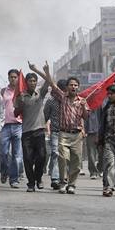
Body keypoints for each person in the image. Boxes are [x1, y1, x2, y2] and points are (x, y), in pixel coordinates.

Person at [38, 61, 90, 194]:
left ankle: (72, 184)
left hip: (77, 134)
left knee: (76, 162)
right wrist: (47, 71)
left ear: (78, 87)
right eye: (71, 85)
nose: (74, 87)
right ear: (67, 87)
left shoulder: (82, 101)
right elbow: (52, 84)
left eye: (76, 85)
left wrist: (84, 106)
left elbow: (86, 117)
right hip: (63, 134)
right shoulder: (63, 97)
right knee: (63, 158)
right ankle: (63, 182)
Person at [14, 62, 50, 192]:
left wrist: (39, 70)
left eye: (34, 80)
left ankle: (38, 178)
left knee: (41, 157)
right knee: (28, 159)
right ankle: (31, 183)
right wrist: (20, 107)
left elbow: (48, 80)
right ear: (26, 82)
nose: (33, 83)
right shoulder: (21, 96)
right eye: (30, 80)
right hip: (26, 132)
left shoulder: (40, 93)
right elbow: (15, 113)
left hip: (39, 130)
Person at [0, 69, 24, 188]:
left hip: (18, 126)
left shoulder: (22, 92)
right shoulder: (3, 91)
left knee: (17, 156)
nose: (13, 79)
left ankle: (14, 179)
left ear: (18, 78)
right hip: (5, 126)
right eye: (11, 77)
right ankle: (4, 171)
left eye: (15, 77)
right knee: (3, 153)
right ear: (8, 78)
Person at [44, 79, 67, 189]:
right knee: (56, 154)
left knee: (66, 156)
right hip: (55, 132)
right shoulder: (51, 101)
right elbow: (45, 116)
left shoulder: (69, 101)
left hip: (68, 133)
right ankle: (55, 178)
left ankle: (64, 177)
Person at [85, 109, 100, 179]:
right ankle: (93, 172)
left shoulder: (104, 101)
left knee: (103, 153)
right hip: (90, 131)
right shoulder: (86, 102)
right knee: (91, 153)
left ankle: (100, 168)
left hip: (101, 131)